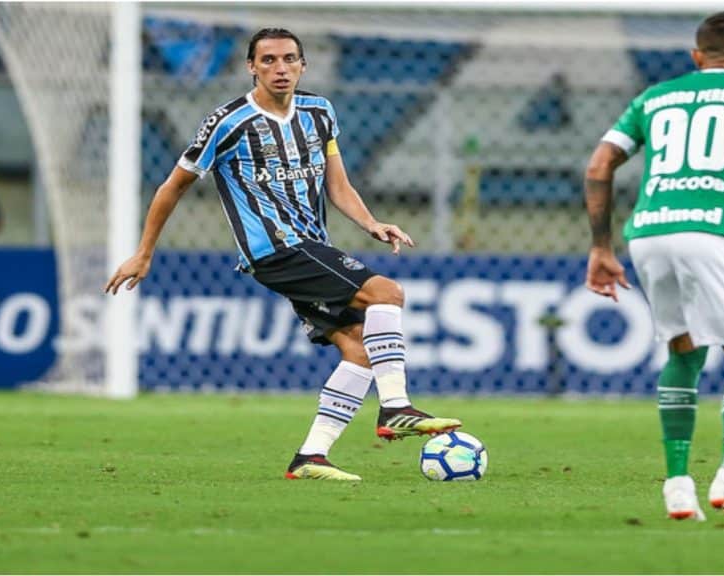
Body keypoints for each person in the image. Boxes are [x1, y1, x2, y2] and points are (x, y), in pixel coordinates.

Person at [105, 28, 461, 481]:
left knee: (357, 348)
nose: (280, 68)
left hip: (311, 245)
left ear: (303, 65)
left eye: (289, 59)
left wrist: (371, 223)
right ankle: (395, 407)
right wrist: (143, 252)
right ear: (251, 66)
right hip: (273, 249)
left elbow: (338, 185)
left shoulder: (320, 112)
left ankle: (311, 457)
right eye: (269, 60)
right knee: (385, 293)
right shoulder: (228, 122)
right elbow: (172, 186)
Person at [584, 12, 724, 523]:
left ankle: (678, 485)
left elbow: (599, 166)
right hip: (716, 229)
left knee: (684, 348)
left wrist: (601, 247)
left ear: (696, 57)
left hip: (650, 230)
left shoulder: (654, 97)